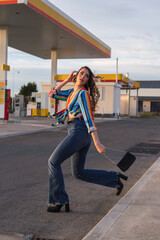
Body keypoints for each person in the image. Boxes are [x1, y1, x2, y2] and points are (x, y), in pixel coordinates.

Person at [47, 66, 128, 212]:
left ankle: (59, 200)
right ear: (76, 75)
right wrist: (66, 79)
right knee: (78, 173)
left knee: (53, 162)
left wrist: (97, 142)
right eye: (81, 73)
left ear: (87, 81)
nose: (83, 76)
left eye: (86, 76)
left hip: (78, 131)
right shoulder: (72, 93)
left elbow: (89, 118)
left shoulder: (82, 94)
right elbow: (52, 94)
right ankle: (114, 179)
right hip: (77, 132)